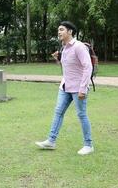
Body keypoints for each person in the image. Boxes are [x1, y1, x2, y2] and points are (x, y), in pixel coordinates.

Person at [35, 21, 94, 155]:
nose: (59, 32)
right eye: (58, 30)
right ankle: (51, 141)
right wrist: (57, 59)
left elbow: (88, 67)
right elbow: (67, 68)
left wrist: (83, 89)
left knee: (81, 115)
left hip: (78, 88)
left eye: (61, 30)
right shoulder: (64, 47)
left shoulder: (78, 47)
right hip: (65, 86)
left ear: (70, 32)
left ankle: (89, 145)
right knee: (58, 112)